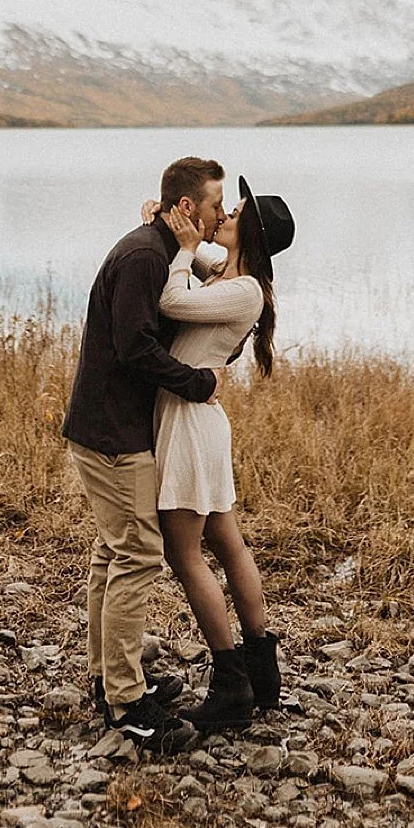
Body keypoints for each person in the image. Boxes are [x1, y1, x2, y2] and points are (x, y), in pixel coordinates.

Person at [62, 156, 228, 754]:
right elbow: (134, 347)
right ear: (188, 207)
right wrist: (198, 383)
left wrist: (192, 247)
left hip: (108, 425)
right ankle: (127, 705)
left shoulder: (158, 247)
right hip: (114, 432)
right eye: (214, 205)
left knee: (114, 552)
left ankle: (110, 676)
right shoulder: (143, 257)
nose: (219, 214)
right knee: (137, 554)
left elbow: (212, 265)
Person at [147, 176, 296, 732]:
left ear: (251, 231)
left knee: (184, 555)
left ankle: (231, 680)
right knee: (227, 543)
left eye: (237, 210)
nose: (227, 211)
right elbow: (202, 253)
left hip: (190, 425)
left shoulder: (243, 289)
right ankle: (261, 671)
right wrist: (165, 221)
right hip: (199, 423)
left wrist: (182, 249)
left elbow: (169, 299)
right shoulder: (229, 275)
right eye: (227, 206)